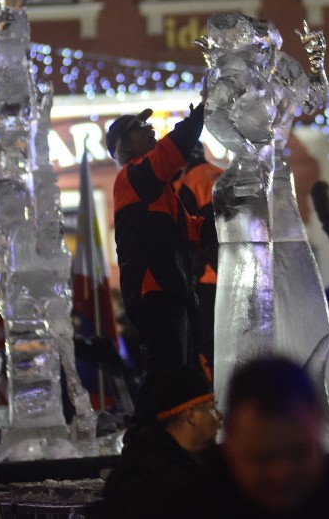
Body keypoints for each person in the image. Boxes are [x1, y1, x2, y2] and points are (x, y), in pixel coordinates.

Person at [167, 357, 329, 517]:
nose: (280, 474)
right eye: (262, 458)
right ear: (230, 440)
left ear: (317, 430)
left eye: (298, 453)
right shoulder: (188, 507)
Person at [107, 103, 204, 420]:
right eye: (139, 127)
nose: (150, 129)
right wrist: (199, 115)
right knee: (166, 373)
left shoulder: (155, 188)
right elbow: (172, 151)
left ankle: (152, 438)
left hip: (168, 290)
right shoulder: (134, 177)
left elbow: (189, 232)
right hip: (157, 290)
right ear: (124, 146)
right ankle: (148, 439)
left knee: (172, 371)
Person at [102, 365, 222, 517]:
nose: (219, 416)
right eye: (212, 408)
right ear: (191, 415)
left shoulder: (145, 460)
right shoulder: (161, 482)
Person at [173, 140, 223, 375]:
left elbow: (189, 235)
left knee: (209, 342)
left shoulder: (188, 183)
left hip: (208, 276)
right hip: (238, 272)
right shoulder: (223, 174)